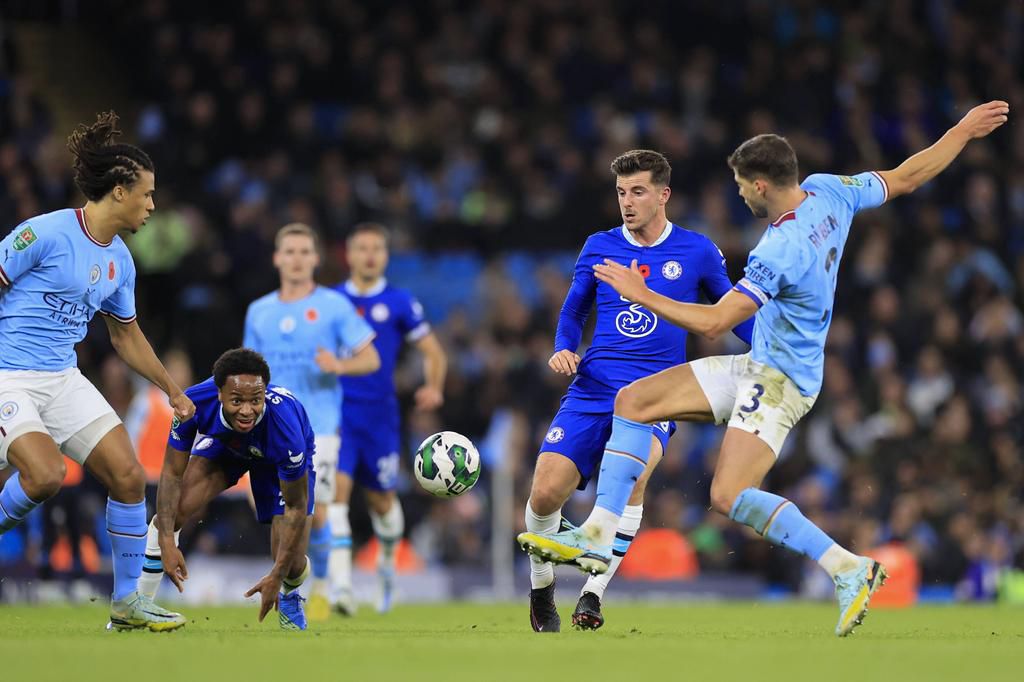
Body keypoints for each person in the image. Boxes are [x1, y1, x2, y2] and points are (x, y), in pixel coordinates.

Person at [518, 101, 1010, 637]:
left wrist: (642, 293)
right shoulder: (830, 190)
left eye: (739, 186)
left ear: (758, 186)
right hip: (760, 362)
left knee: (728, 497)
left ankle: (847, 567)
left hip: (780, 381)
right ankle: (597, 533)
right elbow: (906, 176)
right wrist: (961, 130)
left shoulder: (777, 249)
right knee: (634, 400)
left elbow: (714, 322)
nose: (737, 194)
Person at [520, 149, 753, 632]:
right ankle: (542, 590)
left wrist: (775, 355)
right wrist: (563, 347)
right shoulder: (599, 246)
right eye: (622, 192)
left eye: (638, 191)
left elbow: (733, 318)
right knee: (544, 494)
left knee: (630, 476)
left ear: (663, 195)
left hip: (657, 393)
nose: (627, 201)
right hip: (593, 386)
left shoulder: (697, 251)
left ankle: (592, 595)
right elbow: (572, 311)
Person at [0, 111, 192, 632]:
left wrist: (172, 390)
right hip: (9, 376)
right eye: (147, 194)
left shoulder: (121, 262)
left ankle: (126, 603)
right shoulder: (42, 233)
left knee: (129, 477)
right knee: (44, 476)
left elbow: (126, 336)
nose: (152, 206)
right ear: (120, 191)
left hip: (63, 379)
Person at [241, 222, 379, 620]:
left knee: (315, 513)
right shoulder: (260, 311)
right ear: (277, 258)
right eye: (290, 252)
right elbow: (249, 372)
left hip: (319, 428)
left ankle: (328, 587)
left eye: (305, 252)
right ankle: (304, 586)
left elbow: (371, 358)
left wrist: (338, 363)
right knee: (284, 518)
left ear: (316, 259)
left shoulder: (334, 306)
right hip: (269, 431)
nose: (297, 259)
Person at [143, 348, 317, 630]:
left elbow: (296, 507)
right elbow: (172, 472)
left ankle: (290, 594)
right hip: (228, 446)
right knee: (171, 512)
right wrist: (166, 539)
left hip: (275, 458)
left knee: (292, 562)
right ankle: (140, 604)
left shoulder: (287, 432)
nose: (247, 410)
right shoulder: (194, 402)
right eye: (237, 400)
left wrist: (277, 574)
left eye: (255, 401)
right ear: (219, 393)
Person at [330, 222, 447, 615]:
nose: (369, 254)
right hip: (339, 414)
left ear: (385, 256)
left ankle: (386, 574)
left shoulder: (400, 302)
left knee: (381, 501)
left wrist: (433, 386)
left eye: (376, 248)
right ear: (349, 254)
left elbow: (434, 352)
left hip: (380, 417)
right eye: (361, 247)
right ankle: (341, 589)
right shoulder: (330, 302)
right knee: (336, 497)